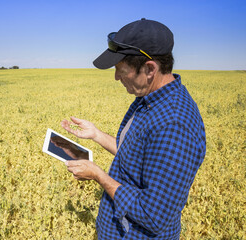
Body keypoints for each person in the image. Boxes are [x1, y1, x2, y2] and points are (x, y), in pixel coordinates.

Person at [61, 18, 206, 239]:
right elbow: (137, 156)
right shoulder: (148, 99)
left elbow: (153, 216)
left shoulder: (175, 125)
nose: (116, 77)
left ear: (149, 69)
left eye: (121, 69)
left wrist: (98, 175)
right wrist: (96, 134)